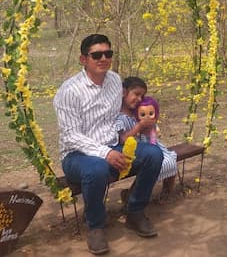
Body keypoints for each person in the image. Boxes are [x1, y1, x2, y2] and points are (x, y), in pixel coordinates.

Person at [53, 35, 163, 255]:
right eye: (97, 55)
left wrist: (139, 125)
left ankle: (135, 210)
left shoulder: (114, 81)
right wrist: (105, 153)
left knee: (153, 154)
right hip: (78, 155)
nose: (103, 58)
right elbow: (71, 135)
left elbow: (121, 113)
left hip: (114, 146)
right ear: (83, 59)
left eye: (108, 54)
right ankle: (95, 226)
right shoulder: (69, 91)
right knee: (97, 169)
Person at [115, 80, 178, 205]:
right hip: (132, 151)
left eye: (142, 96)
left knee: (170, 160)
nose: (139, 99)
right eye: (136, 94)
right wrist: (139, 127)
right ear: (123, 93)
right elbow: (123, 139)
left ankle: (166, 190)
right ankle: (132, 194)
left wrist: (151, 126)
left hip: (149, 144)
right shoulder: (118, 116)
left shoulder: (138, 111)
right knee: (154, 162)